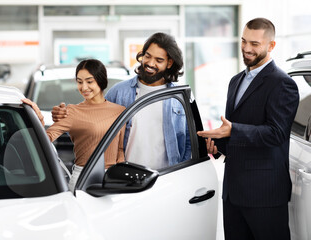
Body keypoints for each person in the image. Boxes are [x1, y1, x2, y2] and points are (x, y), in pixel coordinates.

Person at [197, 18, 299, 240]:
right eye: (244, 41)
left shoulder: (282, 83)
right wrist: (218, 145)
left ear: (271, 46)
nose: (246, 48)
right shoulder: (235, 81)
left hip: (265, 195)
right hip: (233, 193)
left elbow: (277, 133)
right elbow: (234, 131)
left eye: (254, 43)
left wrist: (233, 131)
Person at [52, 32, 191, 169]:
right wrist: (64, 115)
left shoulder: (179, 97)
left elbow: (189, 141)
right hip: (124, 179)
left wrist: (182, 172)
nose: (150, 63)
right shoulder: (119, 92)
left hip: (167, 178)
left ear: (169, 63)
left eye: (159, 60)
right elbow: (93, 121)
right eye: (147, 56)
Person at [23, 59, 125, 192]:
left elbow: (120, 150)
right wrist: (39, 119)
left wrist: (122, 177)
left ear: (101, 81)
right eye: (79, 82)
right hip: (83, 178)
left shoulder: (120, 111)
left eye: (89, 81)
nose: (84, 87)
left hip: (113, 178)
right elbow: (45, 139)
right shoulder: (71, 112)